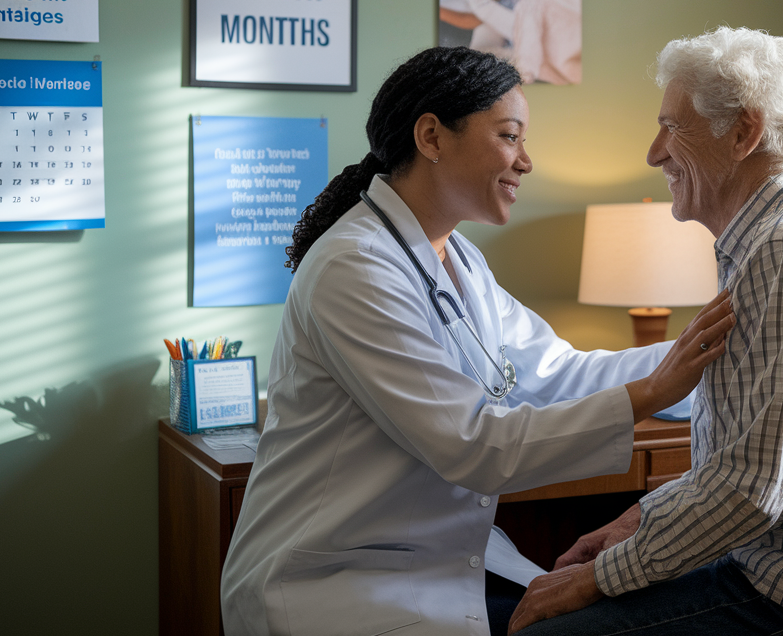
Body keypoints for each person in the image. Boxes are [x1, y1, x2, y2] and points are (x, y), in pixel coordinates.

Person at [219, 46, 734, 636]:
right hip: (337, 580)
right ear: (432, 137)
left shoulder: (458, 257)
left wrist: (705, 358)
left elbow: (555, 371)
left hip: (432, 564)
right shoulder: (353, 268)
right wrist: (647, 394)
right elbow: (471, 446)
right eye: (510, 136)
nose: (527, 161)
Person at [508, 27, 783, 636]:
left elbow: (748, 491)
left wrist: (596, 577)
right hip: (775, 562)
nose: (653, 153)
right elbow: (736, 471)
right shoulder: (766, 243)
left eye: (672, 127)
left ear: (743, 133)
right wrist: (629, 526)